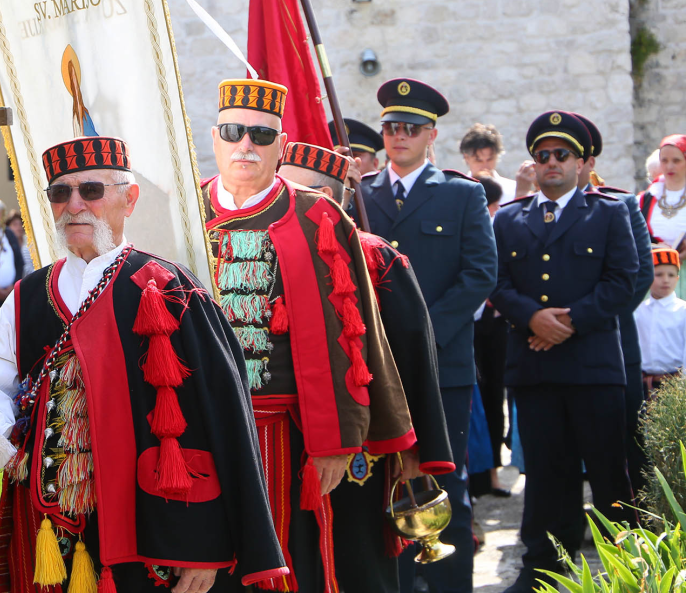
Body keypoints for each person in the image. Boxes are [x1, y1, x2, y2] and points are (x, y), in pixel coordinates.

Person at [0, 135, 288, 593]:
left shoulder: (172, 289)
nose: (75, 205)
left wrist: (206, 545)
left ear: (129, 199)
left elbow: (223, 423)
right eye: (60, 193)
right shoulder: (28, 297)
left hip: (155, 536)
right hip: (50, 532)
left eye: (92, 191)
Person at [204, 80, 416, 593]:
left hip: (290, 434)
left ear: (279, 146)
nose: (246, 145)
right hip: (204, 428)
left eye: (261, 134)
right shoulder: (184, 216)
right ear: (215, 139)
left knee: (293, 562)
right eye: (234, 132)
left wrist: (338, 442)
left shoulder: (316, 215)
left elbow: (355, 334)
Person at [279, 141, 454, 592]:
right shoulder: (252, 252)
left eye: (311, 193)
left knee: (358, 561)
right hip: (283, 438)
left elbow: (414, 352)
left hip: (364, 445)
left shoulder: (375, 256)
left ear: (337, 199)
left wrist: (419, 450)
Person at [490, 111, 638, 592]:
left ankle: (630, 569)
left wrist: (566, 323)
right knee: (547, 479)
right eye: (542, 155)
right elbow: (496, 281)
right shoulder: (511, 217)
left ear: (583, 162)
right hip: (535, 368)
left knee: (608, 474)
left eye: (561, 155)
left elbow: (624, 281)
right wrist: (532, 318)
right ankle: (544, 570)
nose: (550, 162)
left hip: (593, 366)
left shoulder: (610, 212)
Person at [359, 78, 497, 593]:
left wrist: (422, 336)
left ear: (431, 135)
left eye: (411, 129)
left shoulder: (462, 194)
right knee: (384, 482)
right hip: (378, 368)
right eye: (391, 127)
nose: (399, 136)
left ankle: (449, 584)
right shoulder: (362, 194)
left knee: (445, 482)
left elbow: (480, 273)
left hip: (442, 364)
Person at [574, 113, 653, 496]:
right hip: (551, 346)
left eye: (572, 155)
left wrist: (581, 320)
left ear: (589, 163)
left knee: (622, 446)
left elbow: (638, 277)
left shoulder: (620, 204)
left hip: (612, 341)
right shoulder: (530, 210)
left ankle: (627, 526)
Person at [470, 174, 509, 499]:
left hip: (496, 322)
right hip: (468, 324)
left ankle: (493, 472)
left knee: (494, 398)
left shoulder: (502, 227)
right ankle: (480, 475)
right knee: (477, 399)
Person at [634, 248, 686, 397]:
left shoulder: (682, 310)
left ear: (677, 278)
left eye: (671, 275)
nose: (665, 280)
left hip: (674, 385)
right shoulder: (638, 311)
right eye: (658, 274)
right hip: (642, 385)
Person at [460, 123, 517, 202]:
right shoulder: (459, 192)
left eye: (490, 159)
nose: (485, 166)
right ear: (466, 158)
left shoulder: (512, 191)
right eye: (478, 160)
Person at [6, 210, 36, 276]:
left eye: (20, 224)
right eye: (15, 224)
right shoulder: (6, 245)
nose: (19, 227)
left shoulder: (30, 243)